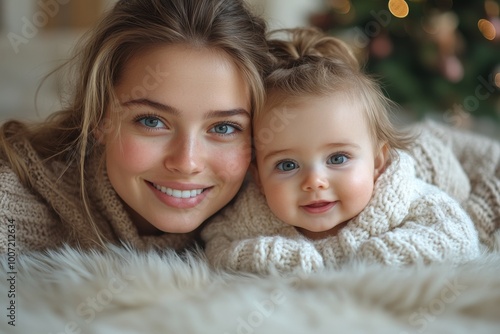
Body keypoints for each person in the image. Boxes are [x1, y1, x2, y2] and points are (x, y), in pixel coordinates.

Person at [201, 27, 481, 275]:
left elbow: (457, 234)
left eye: (337, 158)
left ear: (377, 161)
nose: (314, 181)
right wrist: (274, 255)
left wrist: (383, 255)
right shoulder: (254, 213)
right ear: (259, 177)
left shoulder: (402, 198)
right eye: (287, 165)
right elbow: (218, 243)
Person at [0, 0, 271, 254]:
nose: (187, 163)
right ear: (99, 117)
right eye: (152, 121)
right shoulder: (14, 206)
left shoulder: (284, 193)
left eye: (224, 128)